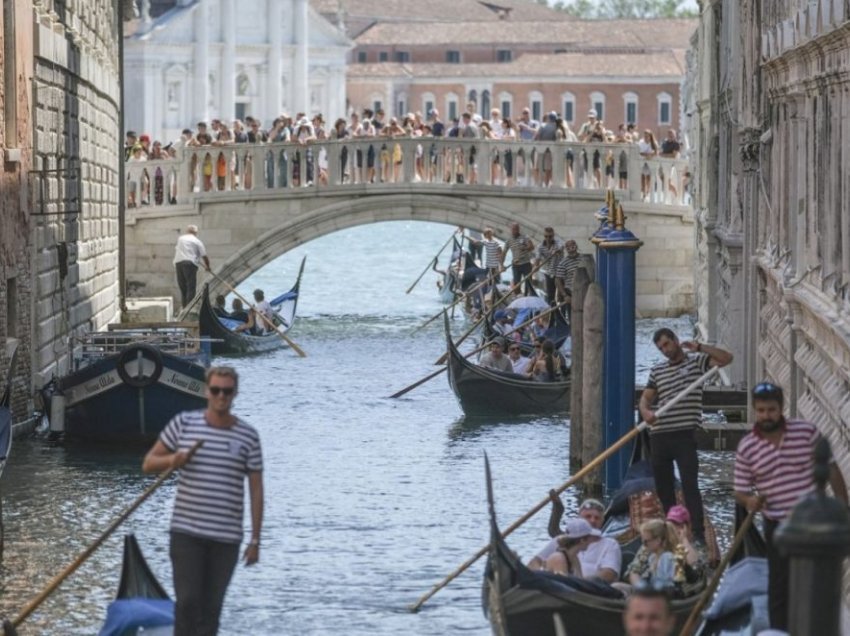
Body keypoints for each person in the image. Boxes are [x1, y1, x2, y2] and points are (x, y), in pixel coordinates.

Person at [142, 367, 263, 636]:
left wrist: (255, 540)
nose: (221, 396)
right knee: (187, 603)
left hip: (226, 538)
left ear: (235, 394)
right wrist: (173, 460)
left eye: (227, 391)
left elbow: (256, 490)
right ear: (207, 391)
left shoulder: (248, 437)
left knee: (211, 609)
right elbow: (149, 463)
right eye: (216, 390)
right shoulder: (184, 424)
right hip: (187, 533)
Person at [734, 381, 848, 631]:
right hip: (777, 525)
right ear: (755, 410)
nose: (766, 416)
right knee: (780, 585)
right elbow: (740, 490)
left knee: (814, 583)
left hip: (813, 524)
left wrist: (843, 508)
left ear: (781, 407)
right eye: (762, 410)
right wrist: (750, 501)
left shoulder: (806, 432)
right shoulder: (748, 448)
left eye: (771, 410)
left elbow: (830, 468)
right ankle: (781, 632)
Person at [638, 329, 733, 544]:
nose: (665, 350)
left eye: (666, 344)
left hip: (684, 435)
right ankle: (672, 530)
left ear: (675, 340)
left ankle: (697, 533)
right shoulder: (657, 370)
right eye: (661, 348)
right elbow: (645, 400)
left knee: (690, 484)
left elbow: (726, 358)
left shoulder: (696, 363)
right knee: (664, 487)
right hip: (659, 435)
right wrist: (645, 413)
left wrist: (699, 347)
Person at [530, 497, 622, 583]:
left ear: (602, 521)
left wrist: (580, 583)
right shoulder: (559, 541)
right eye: (588, 516)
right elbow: (534, 562)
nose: (592, 521)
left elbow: (609, 574)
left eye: (597, 518)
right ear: (579, 518)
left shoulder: (610, 544)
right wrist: (540, 578)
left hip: (590, 589)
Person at [624, 519, 679, 591]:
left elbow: (667, 584)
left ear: (658, 541)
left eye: (646, 541)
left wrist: (646, 591)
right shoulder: (652, 558)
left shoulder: (667, 557)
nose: (644, 545)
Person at [173, 225, 211, 310]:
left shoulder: (181, 239)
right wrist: (208, 267)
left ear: (187, 231)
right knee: (191, 287)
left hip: (178, 263)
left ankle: (184, 307)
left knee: (183, 288)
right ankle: (189, 309)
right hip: (190, 264)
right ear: (196, 233)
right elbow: (204, 256)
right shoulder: (197, 241)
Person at [501, 222, 535, 294]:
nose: (514, 231)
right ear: (511, 230)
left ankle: (527, 296)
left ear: (518, 229)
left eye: (516, 229)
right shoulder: (509, 240)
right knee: (516, 284)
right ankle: (517, 297)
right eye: (513, 229)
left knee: (528, 283)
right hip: (516, 265)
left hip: (526, 264)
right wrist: (501, 265)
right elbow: (504, 253)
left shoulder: (525, 237)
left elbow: (531, 247)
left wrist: (525, 248)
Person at [535, 227, 563, 305]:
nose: (548, 238)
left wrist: (556, 251)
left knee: (562, 295)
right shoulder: (540, 247)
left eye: (550, 236)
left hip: (560, 273)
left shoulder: (558, 243)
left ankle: (562, 313)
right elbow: (537, 258)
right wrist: (536, 266)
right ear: (544, 236)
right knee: (550, 295)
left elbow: (561, 247)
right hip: (549, 273)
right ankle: (551, 313)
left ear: (553, 236)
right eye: (546, 236)